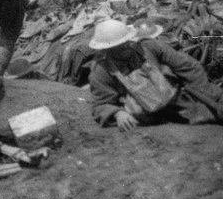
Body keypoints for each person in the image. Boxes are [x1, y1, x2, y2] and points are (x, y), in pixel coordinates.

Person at [88, 19, 223, 130]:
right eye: (116, 47)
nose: (123, 48)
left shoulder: (149, 47)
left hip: (176, 101)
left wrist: (205, 92)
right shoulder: (101, 71)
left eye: (125, 43)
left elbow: (188, 67)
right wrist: (117, 113)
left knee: (212, 112)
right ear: (106, 49)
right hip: (146, 117)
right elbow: (100, 104)